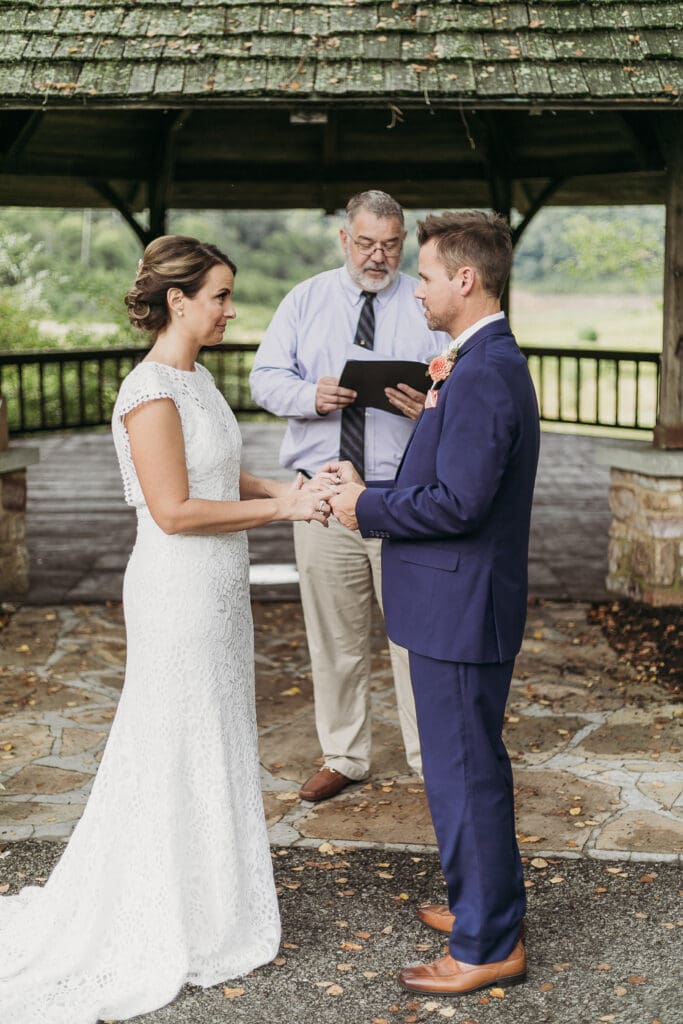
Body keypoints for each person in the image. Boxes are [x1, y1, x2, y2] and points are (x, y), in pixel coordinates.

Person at [0, 235, 334, 1024]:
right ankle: (154, 910)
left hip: (219, 587)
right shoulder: (150, 389)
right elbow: (176, 510)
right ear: (178, 301)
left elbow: (217, 475)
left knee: (212, 732)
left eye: (228, 294)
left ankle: (209, 900)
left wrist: (288, 485)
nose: (228, 309)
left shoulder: (195, 378)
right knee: (172, 737)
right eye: (219, 295)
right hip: (178, 588)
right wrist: (283, 510)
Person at [329, 211, 540, 995]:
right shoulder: (474, 361)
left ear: (464, 278)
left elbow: (458, 504)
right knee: (464, 767)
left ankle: (488, 945)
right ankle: (482, 903)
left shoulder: (482, 372)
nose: (414, 287)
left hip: (462, 605)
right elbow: (449, 484)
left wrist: (365, 509)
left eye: (422, 274)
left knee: (463, 772)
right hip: (452, 601)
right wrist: (370, 490)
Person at [250, 190, 449, 802]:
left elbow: (456, 386)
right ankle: (344, 754)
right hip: (323, 494)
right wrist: (313, 395)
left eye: (391, 245)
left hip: (400, 497)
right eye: (366, 243)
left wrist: (430, 409)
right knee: (333, 638)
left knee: (415, 639)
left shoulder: (425, 303)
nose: (378, 256)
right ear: (344, 239)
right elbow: (263, 379)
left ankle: (430, 759)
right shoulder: (305, 299)